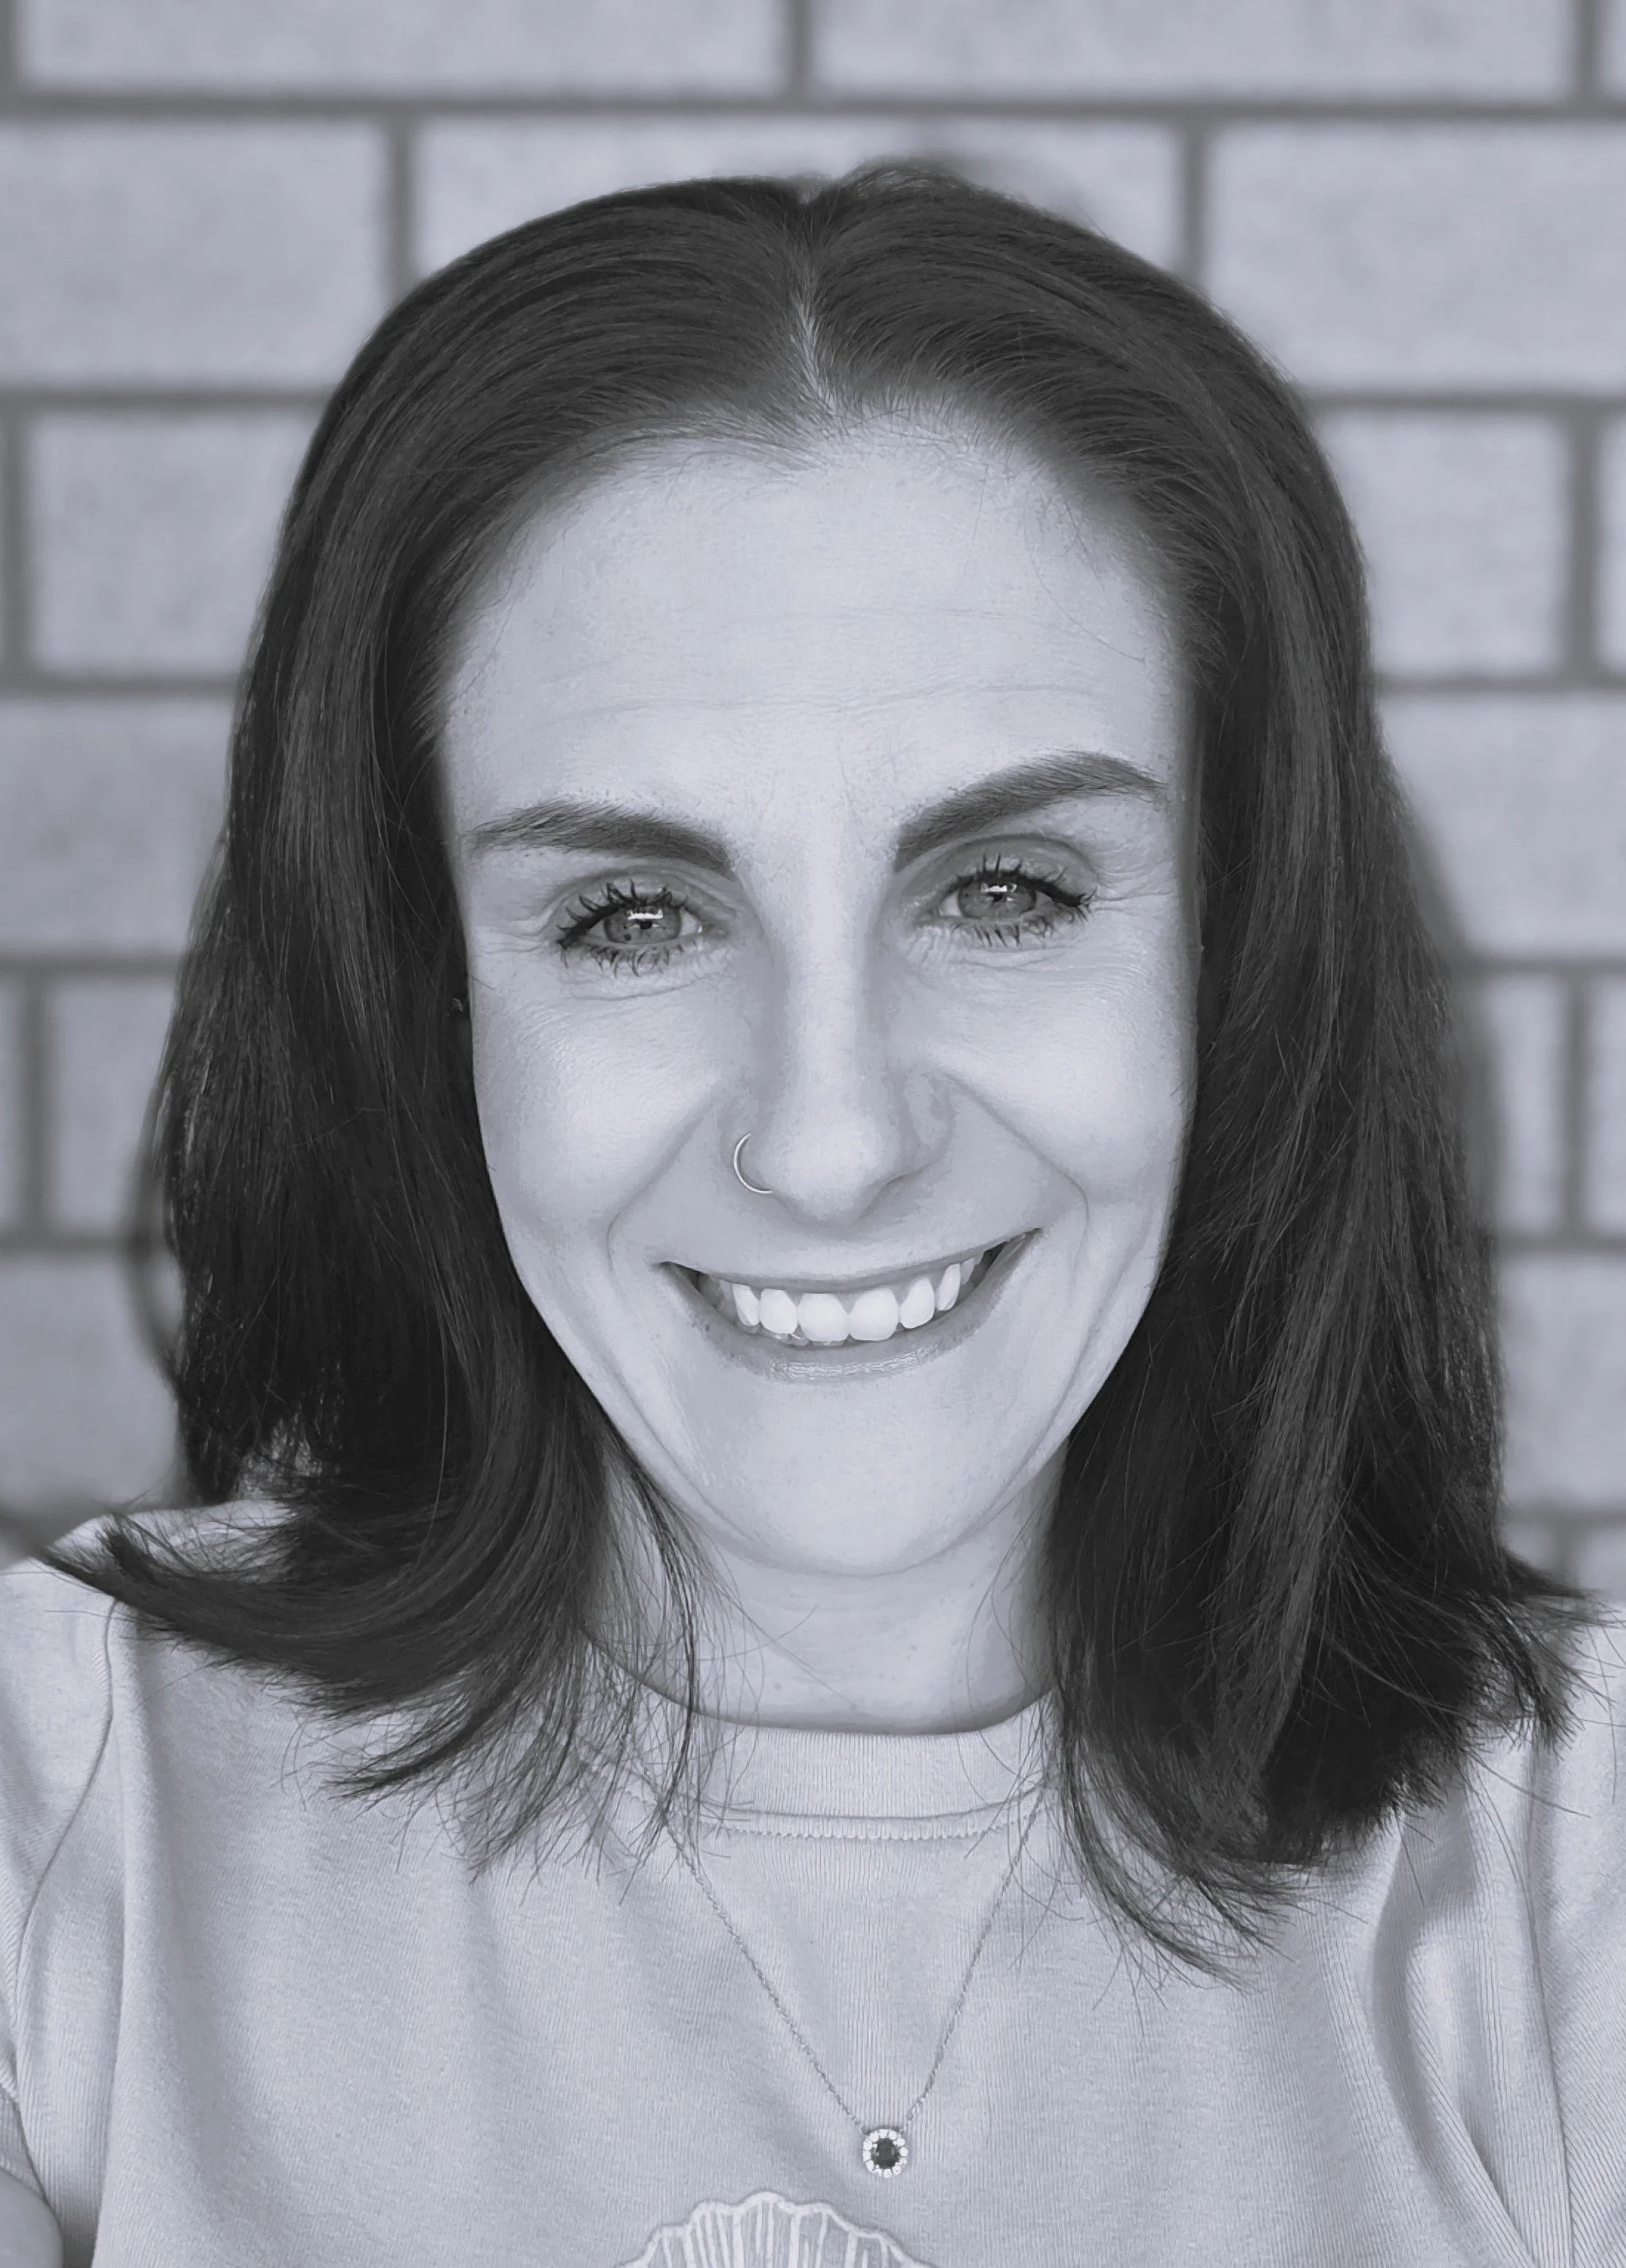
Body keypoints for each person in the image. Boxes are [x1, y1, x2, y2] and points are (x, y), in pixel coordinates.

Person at [1, 162, 1621, 2268]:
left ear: (1242, 963)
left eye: (1008, 891)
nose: (834, 1140)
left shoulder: (1576, 1888)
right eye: (633, 915)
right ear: (424, 1000)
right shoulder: (61, 1812)